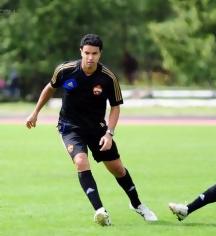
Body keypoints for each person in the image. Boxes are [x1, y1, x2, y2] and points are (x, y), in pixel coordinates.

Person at [26, 34, 157, 226]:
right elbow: (50, 87)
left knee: (118, 169)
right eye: (87, 53)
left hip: (97, 129)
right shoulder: (65, 70)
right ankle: (100, 211)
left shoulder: (108, 77)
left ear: (100, 54)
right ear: (81, 52)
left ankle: (137, 204)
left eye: (94, 53)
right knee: (80, 161)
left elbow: (115, 107)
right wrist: (35, 112)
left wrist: (109, 133)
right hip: (69, 127)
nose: (90, 57)